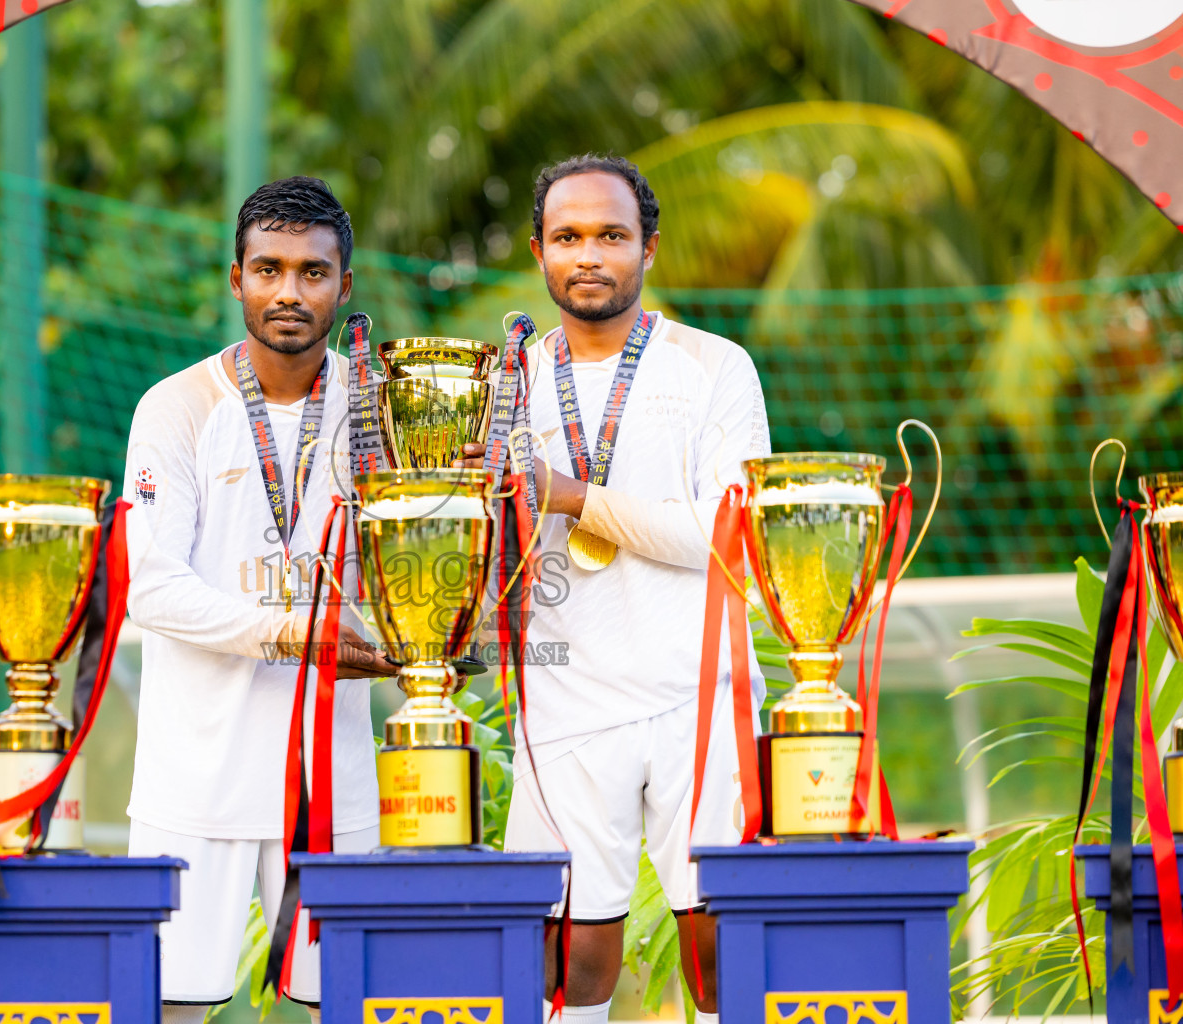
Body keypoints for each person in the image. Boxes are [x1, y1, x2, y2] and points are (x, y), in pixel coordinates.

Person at [464, 154, 771, 1024]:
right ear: (538, 252)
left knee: (717, 947)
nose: (589, 254)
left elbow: (729, 540)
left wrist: (571, 494)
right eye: (568, 237)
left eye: (611, 235)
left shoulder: (714, 367)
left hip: (698, 698)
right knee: (572, 960)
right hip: (564, 699)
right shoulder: (504, 382)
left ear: (649, 248)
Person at [123, 176, 397, 1024]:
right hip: (193, 779)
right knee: (169, 1009)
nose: (289, 291)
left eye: (313, 273)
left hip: (334, 782)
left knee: (345, 1009)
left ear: (344, 287)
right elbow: (153, 589)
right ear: (235, 277)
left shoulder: (382, 408)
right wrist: (290, 636)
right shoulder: (176, 406)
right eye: (269, 268)